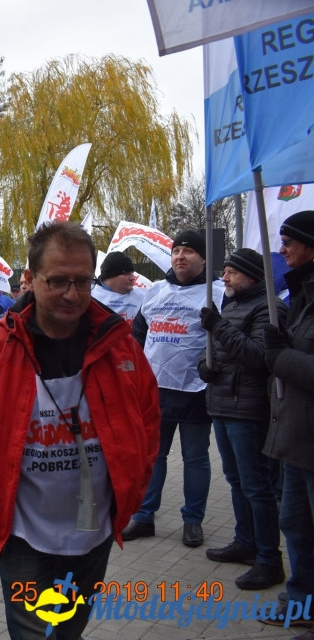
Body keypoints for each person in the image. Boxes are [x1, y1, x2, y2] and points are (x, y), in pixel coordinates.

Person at [0, 222, 159, 640]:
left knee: (69, 629)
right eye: (57, 281)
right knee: (35, 634)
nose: (71, 294)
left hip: (93, 531)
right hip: (22, 532)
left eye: (82, 281)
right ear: (29, 279)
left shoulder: (120, 346)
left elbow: (147, 421)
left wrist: (133, 489)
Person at [122, 230, 224, 548]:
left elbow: (227, 339)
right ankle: (143, 516)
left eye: (189, 251)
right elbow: (137, 337)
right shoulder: (154, 292)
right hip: (154, 392)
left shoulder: (218, 293)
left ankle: (193, 521)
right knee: (154, 456)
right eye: (176, 250)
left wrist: (214, 364)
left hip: (195, 390)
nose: (180, 255)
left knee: (195, 458)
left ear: (204, 258)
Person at [197, 248, 286, 590]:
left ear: (251, 275)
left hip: (249, 410)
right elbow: (220, 353)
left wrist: (217, 327)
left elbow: (258, 357)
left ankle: (268, 558)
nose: (224, 278)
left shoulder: (270, 308)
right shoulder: (232, 306)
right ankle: (245, 540)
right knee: (236, 480)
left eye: (232, 272)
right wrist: (204, 367)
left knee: (256, 486)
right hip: (222, 404)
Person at [262, 210, 314, 634]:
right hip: (296, 435)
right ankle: (301, 601)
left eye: (289, 243)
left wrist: (282, 356)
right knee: (294, 521)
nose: (282, 251)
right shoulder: (301, 296)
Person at [91, 251, 146, 324]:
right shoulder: (90, 295)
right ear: (111, 276)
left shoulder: (143, 295)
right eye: (126, 273)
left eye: (132, 273)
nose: (133, 278)